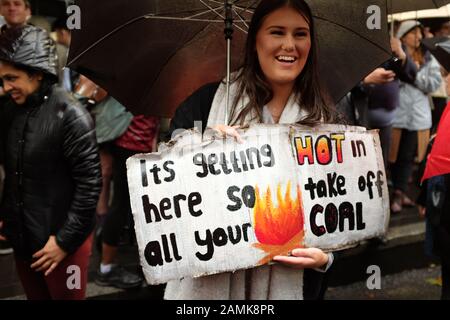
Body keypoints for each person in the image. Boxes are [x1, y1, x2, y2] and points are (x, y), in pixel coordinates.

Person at [166, 0, 339, 300]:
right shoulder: (204, 105)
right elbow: (164, 190)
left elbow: (344, 209)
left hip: (294, 282)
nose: (290, 45)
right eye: (277, 32)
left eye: (301, 34)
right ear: (255, 39)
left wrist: (325, 259)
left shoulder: (329, 118)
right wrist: (198, 149)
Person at [0, 25, 102, 300]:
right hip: (25, 241)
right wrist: (7, 216)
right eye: (2, 80)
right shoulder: (10, 110)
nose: (6, 87)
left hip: (62, 248)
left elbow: (90, 185)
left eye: (12, 78)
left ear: (36, 73)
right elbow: (13, 172)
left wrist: (64, 242)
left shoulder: (71, 115)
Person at [96, 115, 159, 289]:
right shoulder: (142, 90)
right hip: (130, 148)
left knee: (138, 206)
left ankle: (147, 264)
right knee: (122, 206)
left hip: (139, 147)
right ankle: (106, 269)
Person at [389, 20, 442, 214]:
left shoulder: (429, 57)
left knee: (409, 157)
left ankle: (399, 192)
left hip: (418, 115)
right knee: (393, 156)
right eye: (413, 33)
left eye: (420, 33)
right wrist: (409, 69)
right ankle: (397, 191)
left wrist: (412, 74)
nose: (418, 37)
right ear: (403, 35)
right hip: (396, 113)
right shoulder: (394, 55)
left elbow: (432, 84)